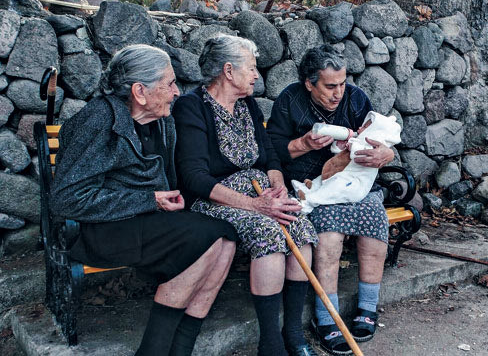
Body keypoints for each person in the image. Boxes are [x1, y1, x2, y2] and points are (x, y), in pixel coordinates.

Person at [51, 45, 239, 356]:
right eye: (169, 83)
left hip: (145, 221)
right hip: (102, 230)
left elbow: (169, 176)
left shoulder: (160, 119)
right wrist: (148, 200)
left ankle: (181, 349)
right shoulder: (99, 120)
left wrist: (166, 198)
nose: (177, 92)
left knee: (227, 238)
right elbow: (66, 199)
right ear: (140, 91)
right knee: (206, 238)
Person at [172, 35, 318, 356]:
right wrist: (256, 205)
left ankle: (293, 334)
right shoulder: (191, 107)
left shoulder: (247, 105)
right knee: (266, 231)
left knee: (299, 226)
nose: (256, 75)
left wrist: (277, 189)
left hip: (258, 192)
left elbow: (269, 158)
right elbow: (194, 177)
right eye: (251, 68)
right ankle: (271, 344)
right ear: (228, 71)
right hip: (215, 199)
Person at [267, 45, 395, 355]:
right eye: (329, 86)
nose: (338, 92)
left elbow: (382, 136)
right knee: (329, 232)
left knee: (374, 221)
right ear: (310, 83)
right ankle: (327, 318)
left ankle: (367, 307)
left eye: (342, 83)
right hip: (311, 188)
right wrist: (304, 143)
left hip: (353, 182)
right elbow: (271, 150)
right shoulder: (290, 100)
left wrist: (384, 154)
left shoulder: (355, 98)